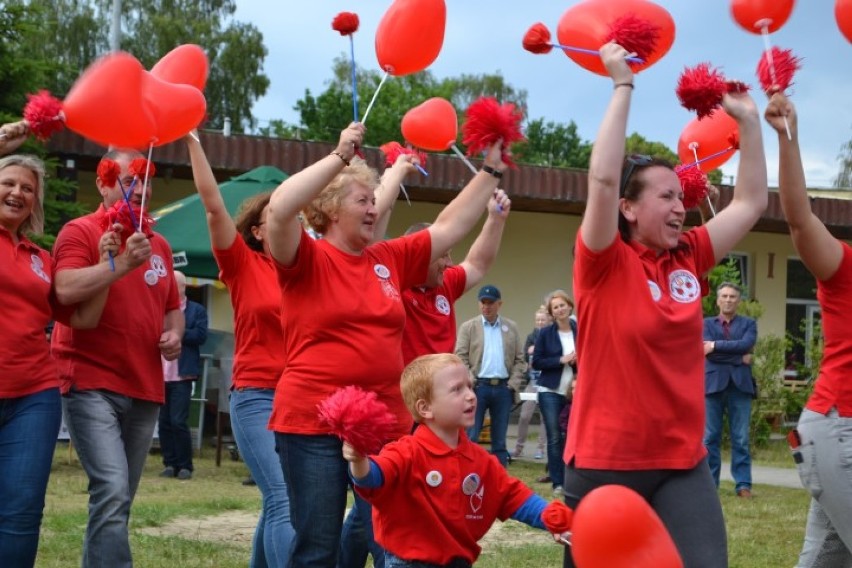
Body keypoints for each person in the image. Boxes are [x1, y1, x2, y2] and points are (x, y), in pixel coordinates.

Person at [265, 122, 509, 568]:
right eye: (363, 200)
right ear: (332, 209)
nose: (374, 208)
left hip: (385, 426)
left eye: (374, 199)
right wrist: (340, 156)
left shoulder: (388, 258)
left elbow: (451, 225)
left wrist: (491, 169)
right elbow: (280, 210)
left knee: (392, 542)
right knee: (316, 546)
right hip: (310, 423)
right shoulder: (307, 257)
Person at [563, 43, 768, 568]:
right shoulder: (602, 260)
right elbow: (603, 180)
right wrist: (623, 84)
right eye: (665, 197)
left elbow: (750, 203)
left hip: (681, 460)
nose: (681, 207)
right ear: (627, 209)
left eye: (682, 197)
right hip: (606, 461)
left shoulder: (688, 257)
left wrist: (747, 122)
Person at [341, 179, 511, 568]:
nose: (449, 263)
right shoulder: (392, 285)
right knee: (390, 501)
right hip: (400, 411)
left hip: (438, 412)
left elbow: (478, 263)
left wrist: (496, 219)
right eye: (442, 256)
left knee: (372, 507)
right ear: (420, 256)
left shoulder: (444, 287)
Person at [51, 149, 184, 568]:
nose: (140, 189)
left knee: (119, 496)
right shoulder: (79, 230)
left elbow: (173, 307)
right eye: (129, 181)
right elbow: (66, 291)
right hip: (89, 381)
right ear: (103, 183)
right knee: (111, 488)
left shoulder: (158, 242)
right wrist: (122, 262)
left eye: (145, 180)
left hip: (144, 385)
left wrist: (174, 335)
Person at [342, 353, 568, 567]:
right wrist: (359, 460)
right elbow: (373, 477)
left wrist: (555, 518)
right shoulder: (406, 452)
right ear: (425, 407)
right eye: (457, 389)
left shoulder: (481, 460)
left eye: (469, 386)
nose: (470, 395)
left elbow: (514, 497)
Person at [185, 132, 294, 567]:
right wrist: (193, 141)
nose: (288, 220)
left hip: (301, 400)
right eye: (276, 215)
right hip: (257, 396)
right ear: (256, 229)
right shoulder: (243, 263)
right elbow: (213, 206)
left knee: (276, 500)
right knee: (284, 494)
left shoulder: (308, 271)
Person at [0, 152, 111, 568]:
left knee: (22, 513)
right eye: (8, 183)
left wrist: (109, 267)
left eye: (28, 189)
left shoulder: (40, 258)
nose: (17, 193)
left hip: (33, 396)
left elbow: (84, 317)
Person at [765, 93, 852, 566]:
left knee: (823, 561)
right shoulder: (843, 267)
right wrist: (787, 138)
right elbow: (799, 219)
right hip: (841, 430)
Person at [456, 284, 526, 467]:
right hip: (478, 387)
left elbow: (520, 359)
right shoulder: (468, 327)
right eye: (483, 302)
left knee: (500, 439)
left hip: (503, 388)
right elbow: (460, 356)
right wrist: (469, 379)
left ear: (499, 304)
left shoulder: (511, 327)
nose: (486, 306)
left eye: (490, 303)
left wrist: (513, 384)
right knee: (471, 435)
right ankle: (469, 474)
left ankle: (499, 478)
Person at [702, 281, 757, 498]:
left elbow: (746, 344)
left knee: (741, 438)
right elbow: (702, 348)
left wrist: (714, 346)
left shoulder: (749, 324)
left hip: (740, 386)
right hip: (712, 385)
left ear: (739, 301)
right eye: (724, 296)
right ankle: (709, 485)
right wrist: (737, 355)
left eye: (732, 297)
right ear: (717, 300)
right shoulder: (706, 324)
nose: (728, 300)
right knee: (709, 439)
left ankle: (743, 485)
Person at [159, 270, 208, 481]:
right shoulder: (161, 308)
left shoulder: (196, 310)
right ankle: (169, 463)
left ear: (183, 287)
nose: (170, 289)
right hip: (160, 374)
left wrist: (176, 332)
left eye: (174, 285)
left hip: (182, 375)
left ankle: (185, 465)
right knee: (164, 422)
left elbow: (200, 335)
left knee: (178, 421)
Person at [532, 290, 578, 497]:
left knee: (571, 436)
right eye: (555, 307)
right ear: (551, 313)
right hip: (550, 390)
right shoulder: (545, 333)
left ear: (569, 306)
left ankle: (572, 479)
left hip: (575, 390)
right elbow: (537, 361)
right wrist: (561, 359)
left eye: (562, 305)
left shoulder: (580, 329)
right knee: (554, 437)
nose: (560, 309)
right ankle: (558, 482)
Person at [513, 307, 550, 460]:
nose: (540, 322)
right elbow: (524, 357)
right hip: (533, 381)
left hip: (547, 381)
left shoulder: (552, 337)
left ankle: (540, 448)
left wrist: (538, 350)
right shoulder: (531, 336)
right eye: (538, 320)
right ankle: (519, 448)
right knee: (524, 415)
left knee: (544, 417)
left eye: (543, 320)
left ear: (549, 321)